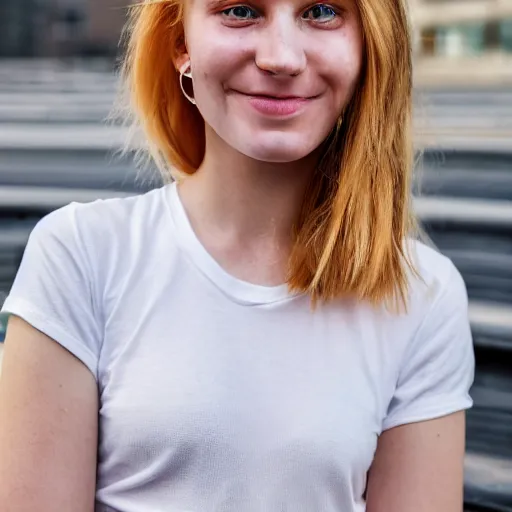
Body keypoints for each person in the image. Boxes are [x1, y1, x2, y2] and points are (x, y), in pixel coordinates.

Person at [0, 0, 475, 511]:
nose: (281, 58)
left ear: (369, 48)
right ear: (180, 43)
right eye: (241, 10)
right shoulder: (81, 255)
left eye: (321, 12)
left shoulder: (423, 295)